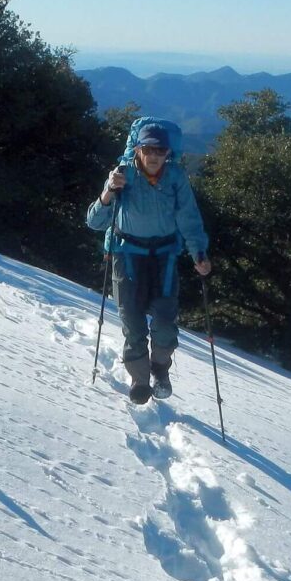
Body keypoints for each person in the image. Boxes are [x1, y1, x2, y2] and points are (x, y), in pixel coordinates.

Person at [85, 121, 211, 404]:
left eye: (160, 150)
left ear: (169, 152)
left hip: (163, 257)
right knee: (133, 321)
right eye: (148, 149)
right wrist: (108, 191)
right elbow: (94, 222)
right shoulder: (122, 175)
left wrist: (198, 254)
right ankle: (140, 380)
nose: (154, 156)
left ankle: (160, 369)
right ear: (138, 150)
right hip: (126, 255)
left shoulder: (176, 177)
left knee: (165, 323)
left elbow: (189, 219)